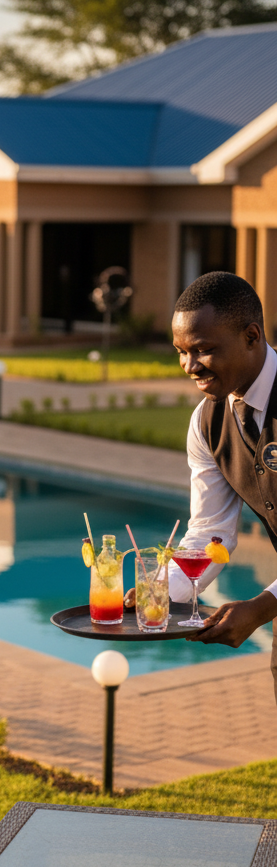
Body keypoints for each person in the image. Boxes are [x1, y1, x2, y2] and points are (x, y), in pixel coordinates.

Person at [170, 272, 277, 681]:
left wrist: (262, 607)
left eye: (203, 350)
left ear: (252, 337)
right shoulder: (206, 422)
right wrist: (160, 594)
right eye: (180, 351)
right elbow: (210, 531)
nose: (189, 366)